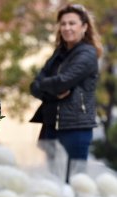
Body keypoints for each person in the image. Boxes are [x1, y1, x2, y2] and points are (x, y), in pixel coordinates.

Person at [29, 3, 103, 182]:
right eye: (63, 24)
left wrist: (45, 86)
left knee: (75, 184)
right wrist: (51, 91)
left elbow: (62, 82)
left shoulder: (87, 54)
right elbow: (34, 86)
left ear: (84, 27)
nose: (67, 28)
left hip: (75, 128)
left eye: (72, 23)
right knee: (54, 183)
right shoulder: (58, 54)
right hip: (51, 126)